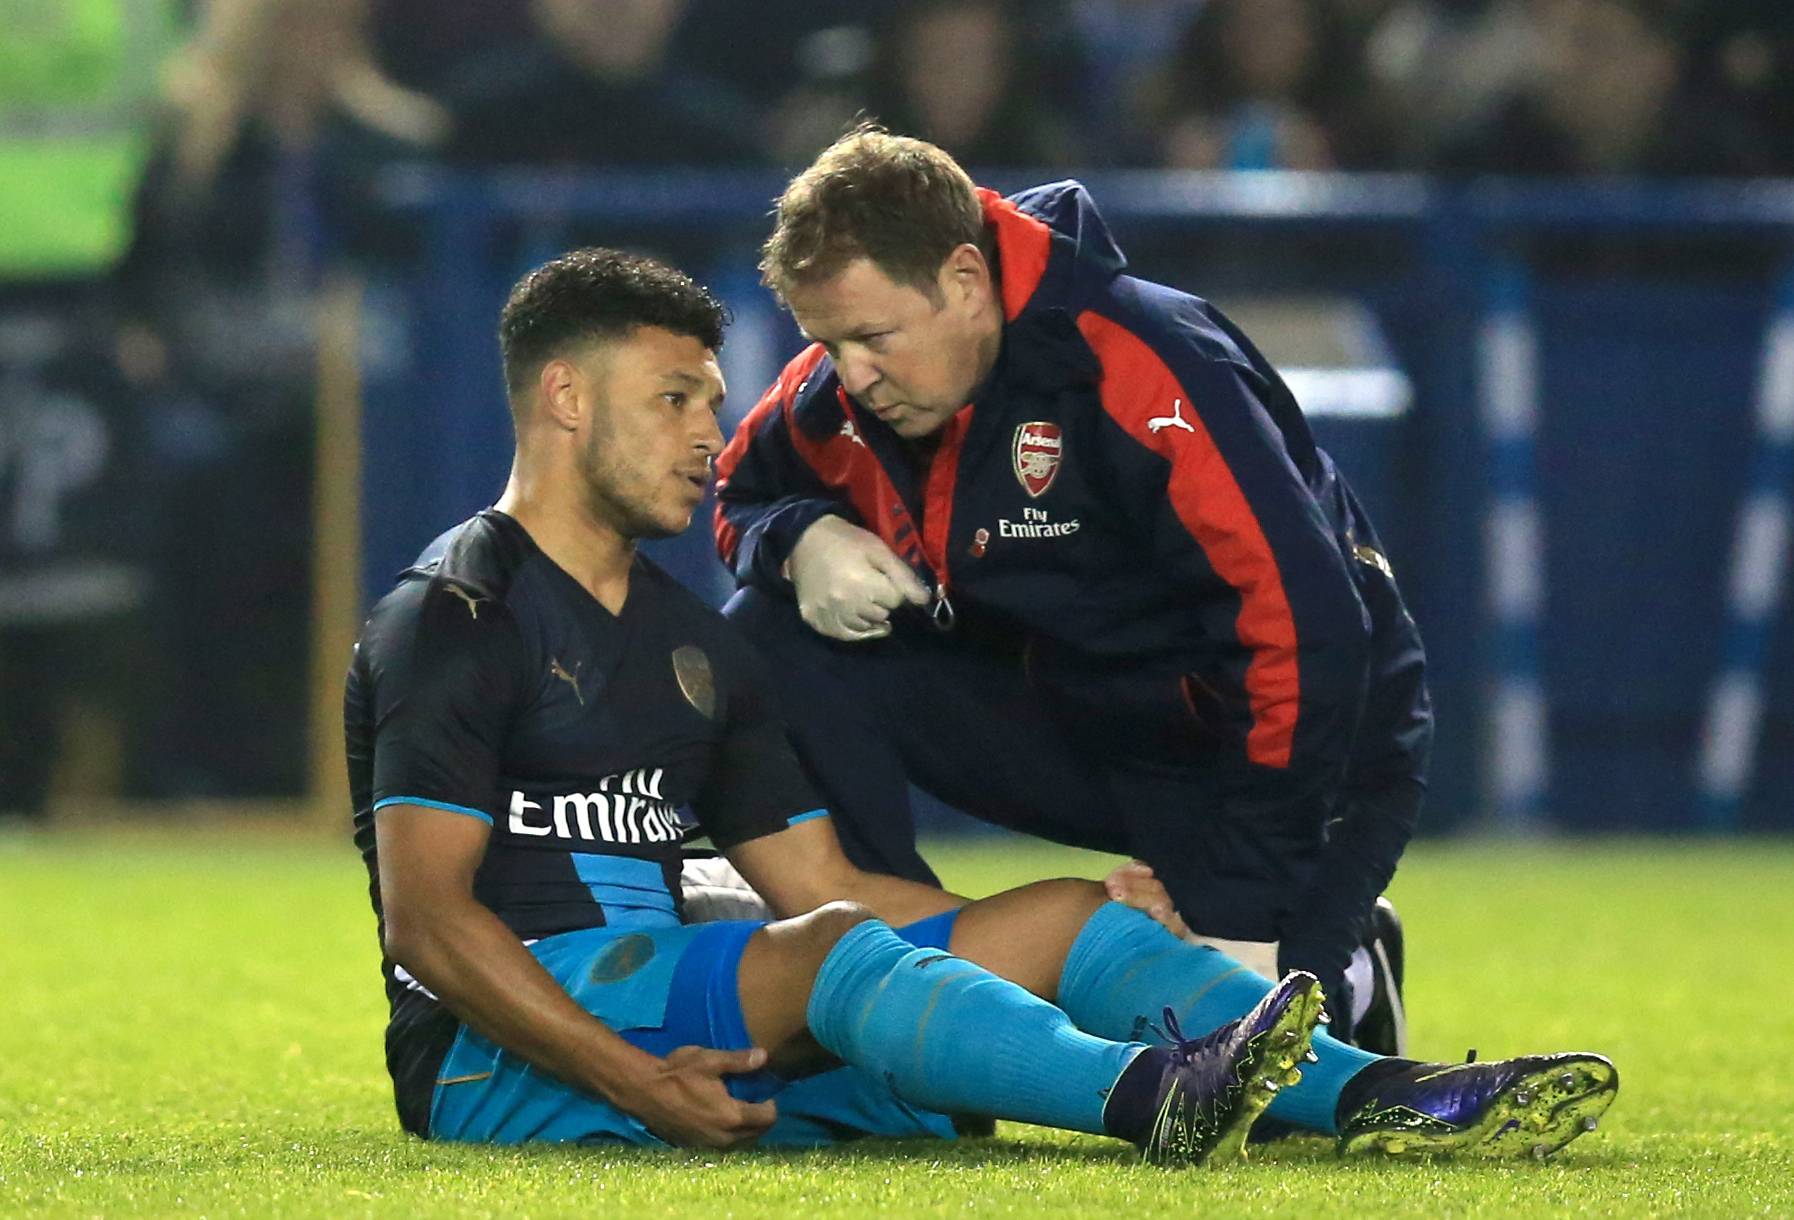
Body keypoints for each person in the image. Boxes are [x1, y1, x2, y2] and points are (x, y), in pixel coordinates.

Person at [345, 247, 1616, 1160]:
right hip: (501, 1053)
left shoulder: (694, 648)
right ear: (564, 400)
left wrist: (1039, 935)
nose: (709, 430)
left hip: (694, 1010)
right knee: (843, 960)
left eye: (713, 400)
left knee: (1060, 917)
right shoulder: (454, 616)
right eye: (674, 399)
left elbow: (824, 880)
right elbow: (429, 924)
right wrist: (636, 1081)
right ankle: (1153, 1096)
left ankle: (1396, 1094)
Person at [713, 126, 1428, 1045]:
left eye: (872, 337)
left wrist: (1240, 894)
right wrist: (796, 536)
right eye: (827, 341)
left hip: (1303, 746)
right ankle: (894, 1001)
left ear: (967, 281)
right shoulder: (840, 392)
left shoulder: (1143, 359)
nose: (851, 375)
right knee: (771, 632)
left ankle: (1338, 959)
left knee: (1235, 1074)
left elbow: (1306, 636)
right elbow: (742, 490)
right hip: (1088, 714)